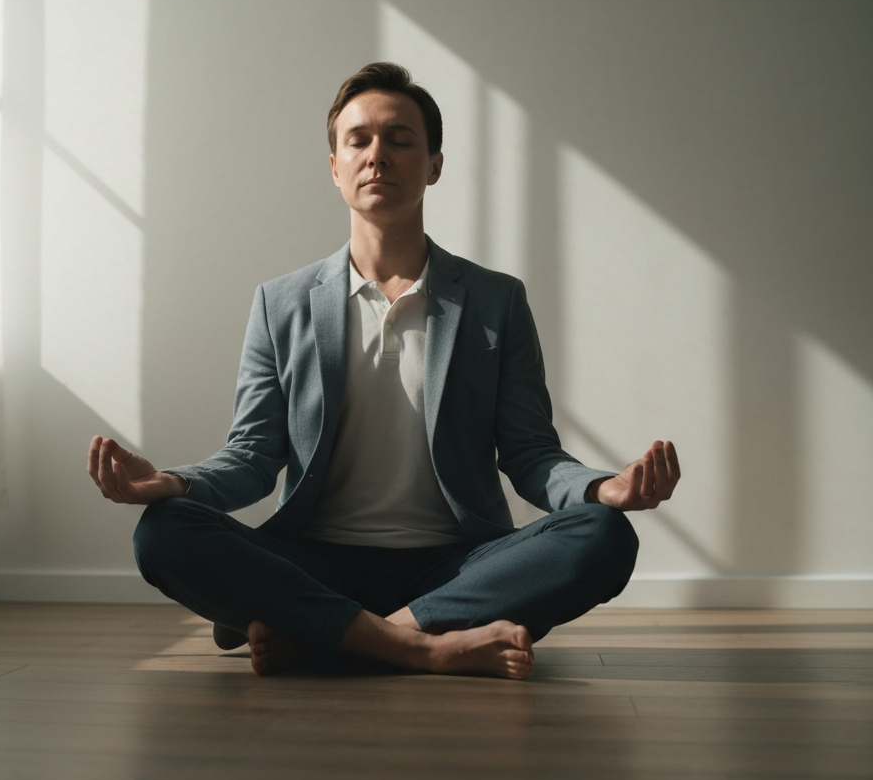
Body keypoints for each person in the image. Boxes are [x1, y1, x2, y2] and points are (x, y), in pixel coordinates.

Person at [87, 62, 680, 680]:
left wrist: (600, 489)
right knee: (163, 533)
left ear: (434, 165)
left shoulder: (495, 300)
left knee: (603, 536)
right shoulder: (280, 303)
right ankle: (425, 646)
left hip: (458, 564)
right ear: (335, 167)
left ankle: (331, 637)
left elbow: (530, 454)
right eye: (359, 140)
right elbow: (253, 456)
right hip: (313, 561)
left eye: (400, 140)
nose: (378, 156)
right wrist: (172, 483)